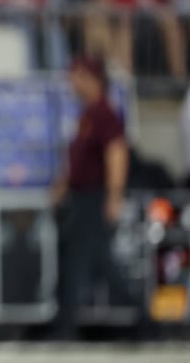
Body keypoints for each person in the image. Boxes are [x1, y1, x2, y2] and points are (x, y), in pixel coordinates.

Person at [50, 56, 131, 339]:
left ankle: (145, 321)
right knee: (81, 263)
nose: (72, 83)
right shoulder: (87, 114)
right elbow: (77, 160)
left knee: (100, 266)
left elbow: (116, 156)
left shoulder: (105, 114)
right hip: (81, 198)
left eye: (77, 76)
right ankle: (65, 326)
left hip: (95, 198)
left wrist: (113, 197)